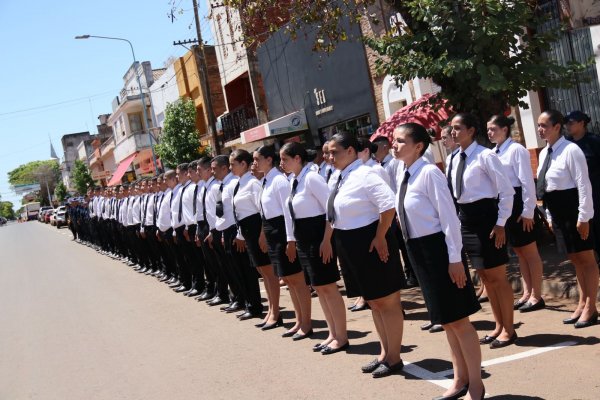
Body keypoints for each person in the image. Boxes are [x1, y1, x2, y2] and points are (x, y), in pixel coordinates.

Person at [393, 122, 484, 400]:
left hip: (439, 251)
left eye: (400, 141)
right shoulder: (404, 172)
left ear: (418, 146)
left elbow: (449, 219)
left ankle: (477, 386)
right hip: (419, 251)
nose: (394, 145)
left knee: (458, 320)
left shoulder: (429, 173)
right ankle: (459, 379)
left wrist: (455, 259)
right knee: (446, 320)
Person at [327, 132, 405, 377]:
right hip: (350, 243)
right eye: (327, 152)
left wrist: (380, 236)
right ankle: (384, 352)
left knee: (387, 301)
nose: (329, 157)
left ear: (351, 151)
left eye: (334, 152)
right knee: (373, 301)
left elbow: (388, 206)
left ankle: (394, 358)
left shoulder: (366, 173)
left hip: (370, 240)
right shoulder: (339, 177)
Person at [450, 112, 517, 349]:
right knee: (486, 278)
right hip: (466, 221)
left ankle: (509, 329)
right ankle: (498, 326)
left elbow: (507, 191)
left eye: (458, 128)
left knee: (498, 277)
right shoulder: (453, 158)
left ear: (470, 130)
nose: (453, 132)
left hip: (487, 220)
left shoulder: (485, 156)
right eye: (451, 128)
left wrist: (500, 223)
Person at [280, 142, 349, 354]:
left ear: (298, 158)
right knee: (318, 287)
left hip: (319, 237)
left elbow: (331, 209)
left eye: (285, 159)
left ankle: (342, 337)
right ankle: (332, 334)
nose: (281, 163)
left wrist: (327, 240)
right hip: (304, 239)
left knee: (328, 286)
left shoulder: (311, 178)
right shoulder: (294, 180)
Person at [537, 110, 598, 328]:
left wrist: (584, 217)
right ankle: (582, 303)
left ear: (556, 127)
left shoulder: (571, 150)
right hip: (557, 210)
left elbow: (583, 184)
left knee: (586, 259)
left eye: (544, 125)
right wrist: (551, 216)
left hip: (573, 208)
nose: (540, 129)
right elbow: (547, 186)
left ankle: (591, 307)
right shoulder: (545, 153)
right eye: (538, 125)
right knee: (575, 259)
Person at [488, 115, 545, 312]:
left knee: (529, 251)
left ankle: (537, 296)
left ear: (504, 129)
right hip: (505, 202)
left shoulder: (516, 150)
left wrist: (528, 210)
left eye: (493, 128)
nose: (489, 132)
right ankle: (527, 293)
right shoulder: (493, 152)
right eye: (488, 129)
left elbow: (527, 181)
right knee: (519, 251)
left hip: (519, 202)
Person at [254, 145, 312, 338]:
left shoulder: (279, 181)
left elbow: (288, 213)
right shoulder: (266, 181)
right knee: (287, 279)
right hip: (272, 232)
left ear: (268, 160)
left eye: (257, 159)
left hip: (282, 232)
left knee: (296, 278)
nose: (254, 164)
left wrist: (291, 240)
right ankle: (298, 321)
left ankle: (306, 323)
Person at [229, 149, 271, 321]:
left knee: (266, 272)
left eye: (233, 164)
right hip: (246, 230)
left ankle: (262, 308)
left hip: (255, 229)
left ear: (243, 164)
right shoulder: (240, 183)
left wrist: (262, 234)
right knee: (258, 269)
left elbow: (262, 211)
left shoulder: (252, 184)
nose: (231, 167)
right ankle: (256, 307)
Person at [565, 110, 600, 261]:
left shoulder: (594, 141)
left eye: (571, 122)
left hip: (596, 192)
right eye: (566, 122)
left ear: (582, 123)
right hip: (575, 196)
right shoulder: (566, 145)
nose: (567, 125)